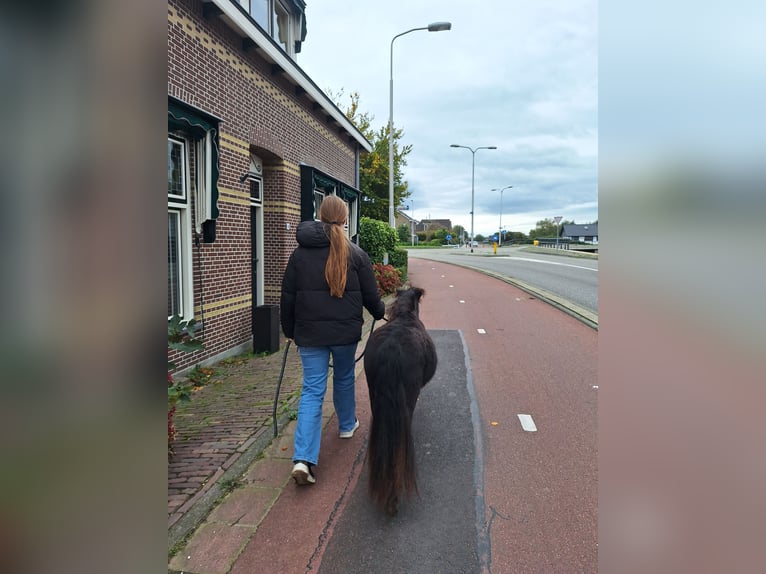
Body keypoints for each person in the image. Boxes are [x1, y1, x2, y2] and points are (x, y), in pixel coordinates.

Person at [280, 195, 386, 485]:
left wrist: (289, 331)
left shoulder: (299, 255)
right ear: (343, 218)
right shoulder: (355, 253)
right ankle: (347, 425)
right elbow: (371, 296)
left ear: (319, 215)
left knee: (312, 390)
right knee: (343, 378)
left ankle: (303, 459)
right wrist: (381, 312)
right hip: (345, 334)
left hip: (310, 335)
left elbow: (287, 297)